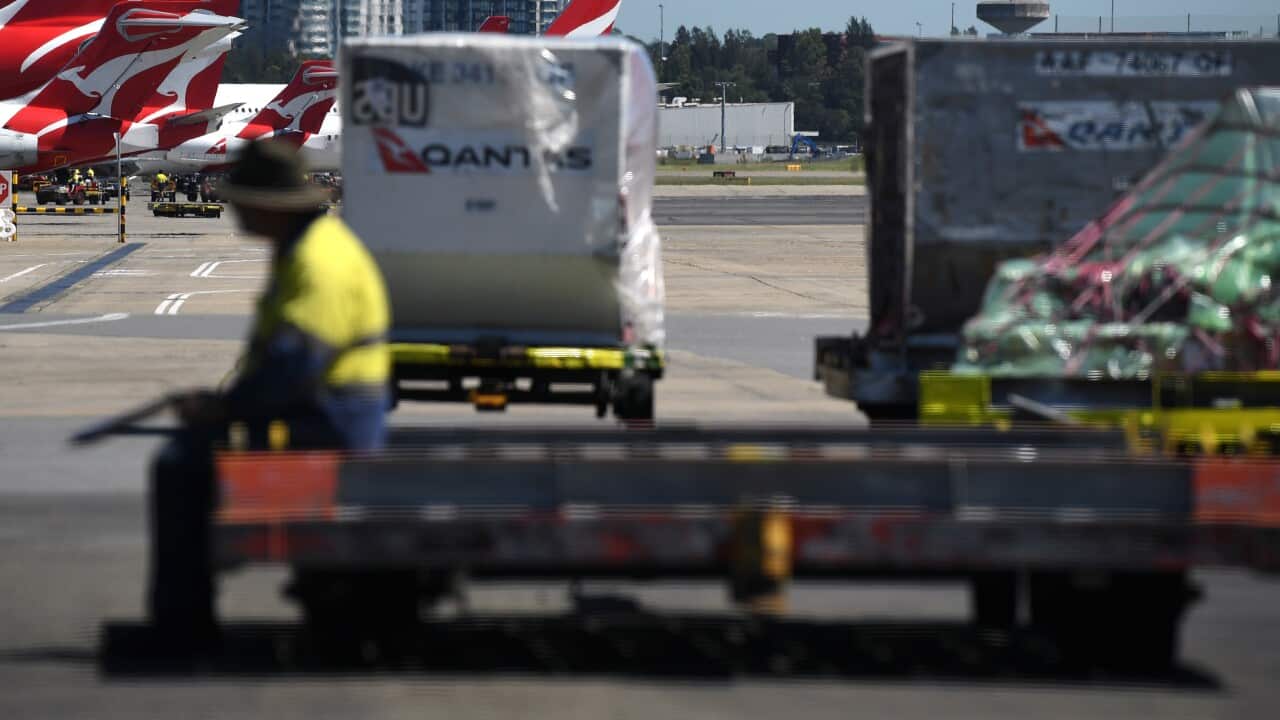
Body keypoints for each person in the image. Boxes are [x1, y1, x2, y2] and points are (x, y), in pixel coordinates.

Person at [148, 139, 392, 649]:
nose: (233, 210)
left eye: (239, 200)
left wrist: (224, 408)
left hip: (329, 418)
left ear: (267, 205)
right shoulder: (306, 249)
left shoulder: (318, 263)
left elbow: (295, 365)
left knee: (181, 467)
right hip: (321, 409)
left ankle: (183, 622)